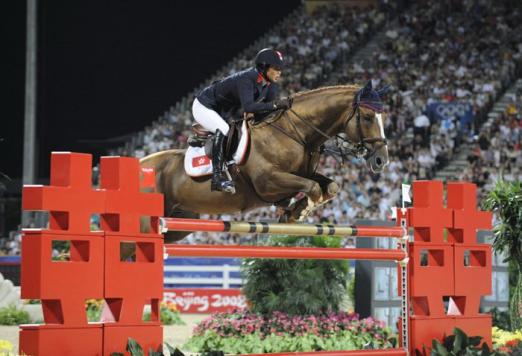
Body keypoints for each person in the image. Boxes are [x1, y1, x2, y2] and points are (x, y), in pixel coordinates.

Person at [192, 48, 292, 193]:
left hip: (224, 111)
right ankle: (217, 178)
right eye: (276, 68)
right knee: (224, 130)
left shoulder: (270, 86)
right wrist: (276, 105)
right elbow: (249, 107)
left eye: (281, 69)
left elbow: (266, 113)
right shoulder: (246, 78)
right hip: (204, 105)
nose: (279, 73)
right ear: (263, 67)